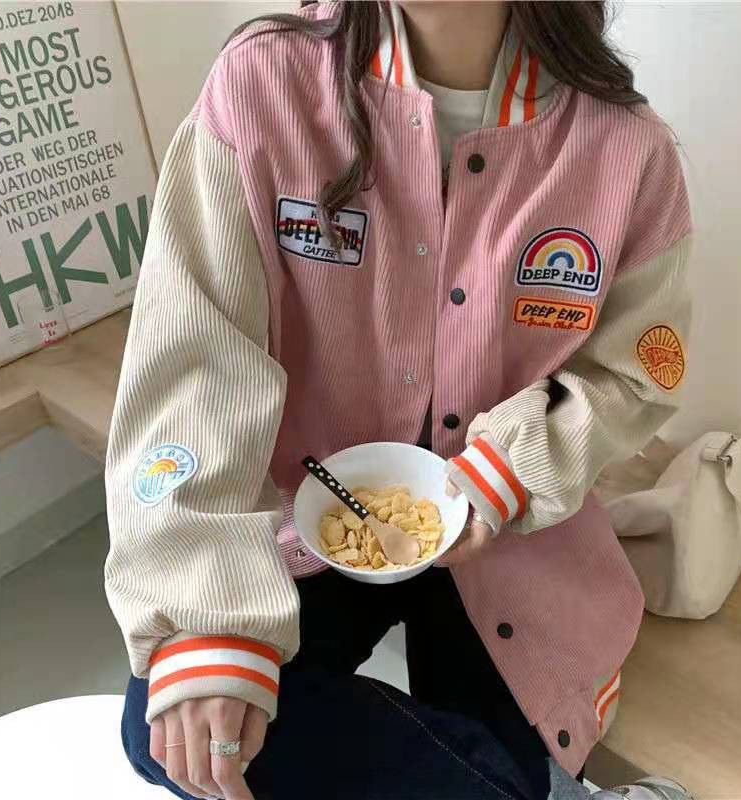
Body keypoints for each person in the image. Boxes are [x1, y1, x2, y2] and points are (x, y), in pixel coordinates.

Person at [106, 2, 693, 798]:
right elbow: (195, 360)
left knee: (504, 754)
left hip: (510, 527)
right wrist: (207, 615)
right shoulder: (262, 86)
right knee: (185, 722)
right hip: (311, 513)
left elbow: (634, 374)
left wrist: (509, 470)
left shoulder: (628, 150)